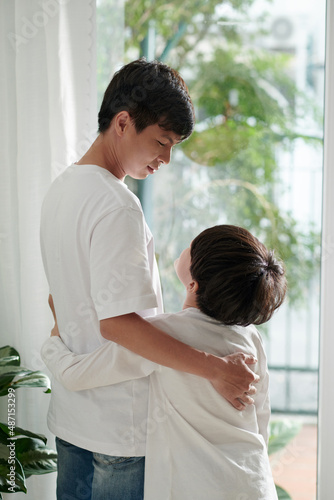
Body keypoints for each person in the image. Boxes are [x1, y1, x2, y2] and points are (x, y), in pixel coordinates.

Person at [40, 59, 258, 500]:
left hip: (71, 419)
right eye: (161, 142)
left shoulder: (62, 189)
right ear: (123, 122)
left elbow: (57, 298)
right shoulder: (117, 205)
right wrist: (217, 371)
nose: (166, 158)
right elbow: (117, 325)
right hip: (120, 435)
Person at [42, 225, 286, 500]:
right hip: (254, 483)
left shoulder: (162, 337)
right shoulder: (250, 337)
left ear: (193, 284)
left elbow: (75, 375)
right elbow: (261, 422)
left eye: (190, 248)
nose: (186, 246)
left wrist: (55, 333)